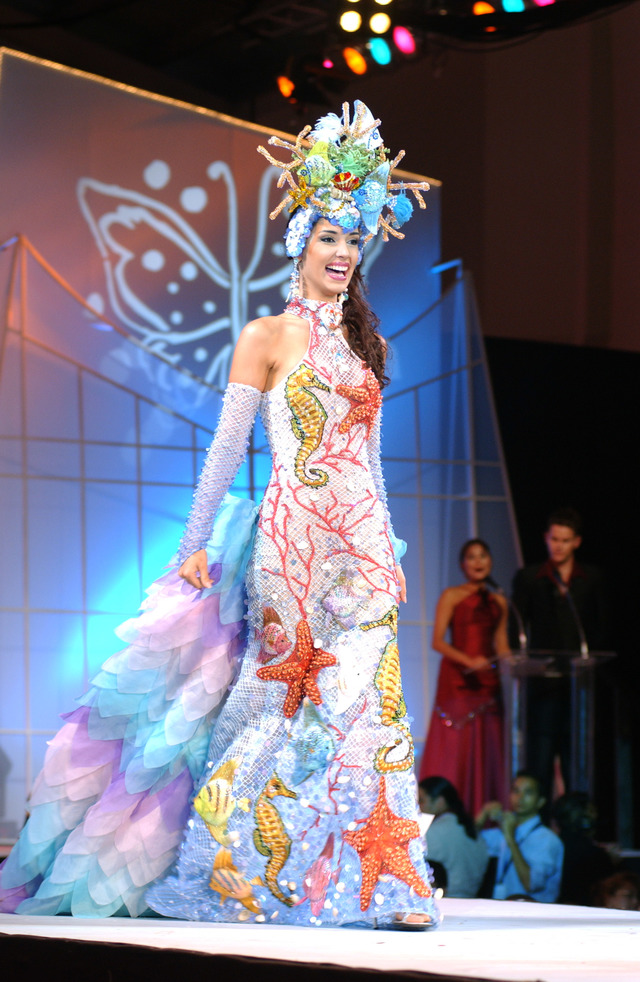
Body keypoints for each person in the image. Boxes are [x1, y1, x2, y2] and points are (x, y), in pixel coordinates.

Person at [0, 102, 440, 930]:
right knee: (279, 707)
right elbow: (226, 446)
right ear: (298, 241)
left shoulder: (366, 347)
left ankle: (384, 885)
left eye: (354, 239)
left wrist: (388, 543)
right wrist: (197, 543)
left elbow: (369, 460)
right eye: (328, 237)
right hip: (289, 546)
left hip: (362, 550)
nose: (343, 253)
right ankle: (236, 871)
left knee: (373, 706)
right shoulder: (267, 335)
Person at [512, 508, 607, 801]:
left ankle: (575, 826)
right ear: (546, 538)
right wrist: (520, 659)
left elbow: (604, 626)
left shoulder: (591, 578)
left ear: (576, 542)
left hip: (579, 685)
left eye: (565, 540)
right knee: (539, 758)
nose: (558, 546)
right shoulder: (530, 578)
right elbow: (515, 625)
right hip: (542, 684)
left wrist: (590, 664)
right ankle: (536, 825)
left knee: (575, 758)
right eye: (554, 539)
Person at [418, 539, 510, 815]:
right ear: (462, 565)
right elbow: (438, 641)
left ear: (491, 561)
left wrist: (513, 665)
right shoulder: (452, 596)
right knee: (456, 745)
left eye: (483, 556)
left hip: (487, 683)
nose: (479, 562)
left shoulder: (499, 600)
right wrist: (470, 661)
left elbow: (501, 643)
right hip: (458, 679)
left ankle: (485, 813)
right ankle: (445, 812)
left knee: (487, 745)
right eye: (472, 557)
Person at [476, 770, 564, 903]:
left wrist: (511, 839)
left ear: (541, 801)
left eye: (528, 792)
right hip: (501, 907)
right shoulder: (506, 829)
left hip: (534, 915)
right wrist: (483, 814)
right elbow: (469, 841)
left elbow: (531, 884)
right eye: (516, 791)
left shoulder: (548, 840)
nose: (520, 797)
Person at [418, 775, 488, 899]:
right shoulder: (471, 829)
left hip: (447, 902)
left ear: (439, 801)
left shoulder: (433, 832)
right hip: (473, 899)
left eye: (421, 800)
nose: (417, 806)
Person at [551, 791, 615, 906]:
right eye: (592, 811)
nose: (596, 816)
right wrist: (613, 861)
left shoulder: (552, 844)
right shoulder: (593, 854)